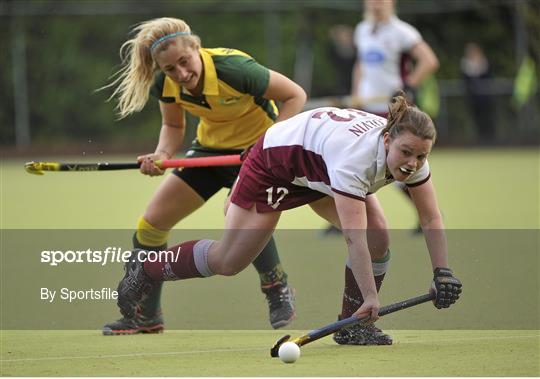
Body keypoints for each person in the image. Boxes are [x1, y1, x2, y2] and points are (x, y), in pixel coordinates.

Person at [115, 94, 462, 346]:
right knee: (229, 260)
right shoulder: (356, 161)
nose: (413, 163)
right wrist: (373, 297)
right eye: (406, 153)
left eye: (421, 156)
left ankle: (353, 326)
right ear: (387, 139)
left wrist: (442, 271)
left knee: (379, 236)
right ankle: (147, 268)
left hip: (318, 170)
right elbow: (353, 238)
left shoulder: (412, 153)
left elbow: (430, 217)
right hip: (273, 166)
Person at [101, 17, 307, 335]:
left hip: (259, 154)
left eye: (184, 62)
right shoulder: (166, 83)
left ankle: (277, 287)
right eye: (171, 69)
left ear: (196, 47)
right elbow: (173, 126)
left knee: (241, 216)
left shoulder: (235, 70)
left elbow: (295, 95)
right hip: (210, 153)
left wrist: (267, 145)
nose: (181, 74)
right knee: (153, 222)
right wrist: (162, 155)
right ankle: (145, 315)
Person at [348, 0, 440, 237]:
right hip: (366, 110)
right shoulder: (362, 30)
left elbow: (429, 61)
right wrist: (357, 93)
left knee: (400, 169)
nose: (376, 4)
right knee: (353, 163)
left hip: (392, 111)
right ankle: (341, 218)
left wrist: (408, 86)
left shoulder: (403, 32)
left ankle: (426, 216)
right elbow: (360, 65)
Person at [460, 42, 496, 142]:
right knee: (476, 118)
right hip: (473, 97)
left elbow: (488, 78)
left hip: (485, 97)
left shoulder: (485, 63)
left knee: (488, 118)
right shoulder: (465, 65)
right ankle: (479, 140)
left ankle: (491, 139)